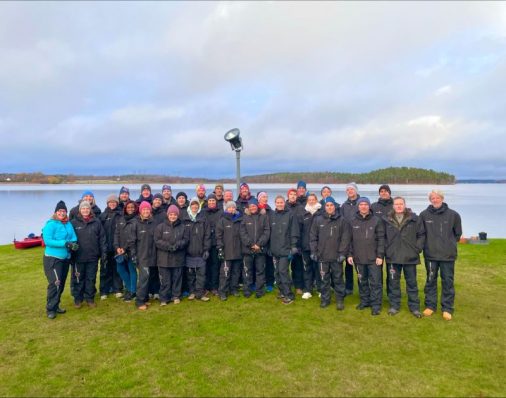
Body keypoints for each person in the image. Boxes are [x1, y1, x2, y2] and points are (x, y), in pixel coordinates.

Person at [420, 190, 462, 321]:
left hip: (447, 255)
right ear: (430, 200)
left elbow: (457, 234)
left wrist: (447, 245)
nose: (435, 200)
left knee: (447, 281)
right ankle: (430, 306)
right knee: (431, 280)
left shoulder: (453, 215)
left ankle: (447, 308)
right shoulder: (424, 215)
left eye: (437, 197)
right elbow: (421, 234)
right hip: (431, 255)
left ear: (442, 198)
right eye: (432, 198)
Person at [383, 197, 425, 318]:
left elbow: (421, 235)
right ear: (393, 206)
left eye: (401, 204)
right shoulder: (386, 219)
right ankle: (394, 306)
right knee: (393, 283)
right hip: (393, 256)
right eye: (396, 204)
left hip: (410, 256)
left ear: (405, 205)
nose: (399, 206)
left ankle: (414, 307)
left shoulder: (414, 219)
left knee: (411, 283)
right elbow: (382, 236)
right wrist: (387, 249)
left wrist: (417, 248)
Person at [310, 197, 351, 310]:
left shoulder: (342, 220)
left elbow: (345, 238)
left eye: (331, 205)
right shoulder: (318, 220)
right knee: (324, 279)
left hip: (336, 256)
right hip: (322, 256)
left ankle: (339, 300)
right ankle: (325, 299)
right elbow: (313, 237)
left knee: (338, 279)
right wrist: (314, 251)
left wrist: (342, 253)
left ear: (335, 206)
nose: (329, 207)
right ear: (324, 207)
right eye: (327, 205)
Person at [347, 197, 385, 315]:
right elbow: (349, 240)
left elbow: (381, 239)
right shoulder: (352, 221)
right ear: (358, 207)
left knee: (375, 282)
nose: (363, 206)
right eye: (361, 204)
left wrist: (380, 255)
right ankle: (365, 301)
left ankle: (376, 305)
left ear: (369, 206)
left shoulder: (376, 220)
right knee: (362, 281)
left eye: (365, 204)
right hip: (358, 258)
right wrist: (349, 254)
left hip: (374, 258)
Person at [42, 200, 78, 319]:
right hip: (52, 258)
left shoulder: (68, 224)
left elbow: (73, 237)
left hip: (65, 258)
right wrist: (65, 243)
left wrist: (72, 244)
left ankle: (56, 305)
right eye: (60, 211)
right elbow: (48, 241)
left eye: (64, 211)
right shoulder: (51, 224)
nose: (62, 213)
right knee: (55, 283)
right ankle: (50, 309)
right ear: (56, 212)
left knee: (61, 284)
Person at [70, 200, 107, 308]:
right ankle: (78, 299)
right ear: (80, 210)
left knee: (91, 278)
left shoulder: (96, 222)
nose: (85, 210)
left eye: (87, 208)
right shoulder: (73, 223)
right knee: (78, 279)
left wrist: (103, 252)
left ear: (90, 210)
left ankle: (90, 298)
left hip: (92, 256)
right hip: (78, 257)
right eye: (83, 208)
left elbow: (102, 239)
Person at [154, 205, 190, 306]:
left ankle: (176, 296)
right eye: (171, 214)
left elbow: (186, 240)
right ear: (168, 215)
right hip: (164, 259)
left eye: (175, 214)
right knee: (165, 280)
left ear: (177, 215)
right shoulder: (160, 227)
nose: (173, 216)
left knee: (177, 278)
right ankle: (164, 298)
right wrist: (169, 246)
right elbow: (157, 241)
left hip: (178, 258)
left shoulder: (182, 227)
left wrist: (177, 245)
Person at [269, 195, 299, 305]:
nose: (280, 204)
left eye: (281, 202)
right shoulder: (272, 215)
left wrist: (293, 246)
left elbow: (294, 231)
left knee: (283, 271)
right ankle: (282, 291)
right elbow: (270, 232)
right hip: (275, 249)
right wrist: (269, 248)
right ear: (275, 203)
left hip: (286, 249)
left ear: (284, 203)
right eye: (277, 203)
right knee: (277, 272)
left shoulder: (290, 215)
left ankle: (289, 295)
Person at [128, 201, 157, 310]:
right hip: (141, 256)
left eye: (147, 209)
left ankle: (144, 298)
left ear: (150, 211)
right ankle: (139, 301)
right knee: (143, 278)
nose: (146, 211)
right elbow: (131, 242)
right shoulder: (135, 224)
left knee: (148, 278)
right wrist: (134, 255)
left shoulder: (153, 223)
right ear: (140, 211)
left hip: (152, 256)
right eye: (144, 209)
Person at [240, 197, 270, 298]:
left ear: (257, 206)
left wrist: (259, 244)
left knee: (260, 271)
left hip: (260, 249)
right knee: (247, 271)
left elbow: (267, 231)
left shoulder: (263, 216)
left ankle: (260, 291)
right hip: (247, 249)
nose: (252, 207)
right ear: (248, 207)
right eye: (251, 206)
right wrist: (251, 244)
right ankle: (247, 290)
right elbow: (242, 232)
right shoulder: (245, 217)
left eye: (254, 206)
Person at [216, 201, 243, 300]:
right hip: (226, 251)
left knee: (236, 272)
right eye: (229, 208)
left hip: (238, 251)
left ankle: (234, 289)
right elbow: (218, 236)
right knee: (225, 273)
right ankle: (222, 291)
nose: (231, 209)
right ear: (226, 209)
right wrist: (220, 248)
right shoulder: (222, 220)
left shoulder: (240, 220)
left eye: (233, 207)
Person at [186, 197, 211, 301]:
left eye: (196, 204)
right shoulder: (186, 219)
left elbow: (207, 235)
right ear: (190, 206)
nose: (195, 206)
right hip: (189, 252)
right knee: (190, 275)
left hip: (201, 252)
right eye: (193, 204)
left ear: (199, 206)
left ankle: (200, 293)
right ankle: (192, 292)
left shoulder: (203, 219)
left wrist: (206, 249)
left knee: (201, 275)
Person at [99, 194, 124, 300]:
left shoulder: (121, 214)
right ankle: (104, 290)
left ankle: (117, 288)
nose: (112, 204)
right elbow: (99, 232)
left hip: (117, 246)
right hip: (105, 246)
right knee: (105, 268)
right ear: (107, 203)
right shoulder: (103, 215)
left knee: (117, 268)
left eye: (114, 202)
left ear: (117, 203)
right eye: (110, 202)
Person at [371, 184, 394, 295]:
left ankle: (391, 292)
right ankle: (377, 292)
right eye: (381, 191)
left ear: (389, 192)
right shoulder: (374, 206)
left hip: (392, 241)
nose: (384, 193)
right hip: (377, 241)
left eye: (386, 191)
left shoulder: (395, 205)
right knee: (377, 268)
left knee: (392, 269)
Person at [114, 200, 138, 302]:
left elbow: (134, 237)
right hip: (120, 250)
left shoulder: (137, 220)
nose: (130, 209)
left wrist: (125, 248)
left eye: (132, 207)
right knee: (120, 270)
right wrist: (117, 247)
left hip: (131, 250)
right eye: (128, 207)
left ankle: (132, 292)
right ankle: (130, 289)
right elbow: (116, 234)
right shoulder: (121, 219)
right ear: (125, 208)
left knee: (132, 270)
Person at [299, 193, 322, 299]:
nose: (311, 201)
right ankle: (308, 290)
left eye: (313, 199)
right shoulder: (304, 213)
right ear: (307, 201)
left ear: (316, 200)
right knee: (307, 268)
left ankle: (320, 289)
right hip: (306, 247)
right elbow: (299, 230)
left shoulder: (321, 212)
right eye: (310, 200)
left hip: (319, 247)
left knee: (319, 268)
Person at [341, 182, 360, 296]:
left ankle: (362, 286)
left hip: (359, 237)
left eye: (352, 189)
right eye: (348, 190)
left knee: (359, 265)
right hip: (347, 237)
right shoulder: (344, 205)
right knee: (348, 264)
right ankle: (349, 287)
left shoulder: (362, 202)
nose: (350, 191)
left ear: (356, 191)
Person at [203, 194, 223, 295]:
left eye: (213, 201)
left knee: (215, 265)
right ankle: (206, 286)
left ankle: (215, 286)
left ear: (216, 202)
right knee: (205, 265)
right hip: (205, 243)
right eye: (210, 200)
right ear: (207, 202)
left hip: (216, 243)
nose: (211, 202)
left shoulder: (220, 212)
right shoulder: (203, 212)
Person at [285, 188, 304, 295]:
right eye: (290, 194)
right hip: (285, 242)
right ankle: (285, 287)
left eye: (294, 194)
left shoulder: (300, 208)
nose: (292, 196)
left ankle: (298, 286)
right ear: (288, 196)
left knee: (297, 266)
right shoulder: (284, 206)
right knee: (283, 267)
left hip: (298, 241)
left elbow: (303, 224)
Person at [258, 191, 275, 292]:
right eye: (263, 197)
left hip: (269, 241)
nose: (265, 198)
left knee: (269, 263)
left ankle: (270, 283)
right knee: (259, 264)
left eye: (266, 197)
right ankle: (258, 282)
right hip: (258, 241)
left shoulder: (270, 211)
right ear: (259, 199)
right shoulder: (255, 209)